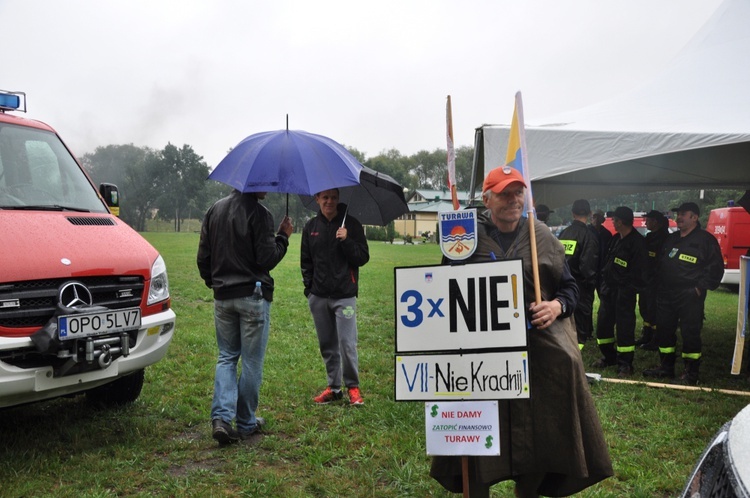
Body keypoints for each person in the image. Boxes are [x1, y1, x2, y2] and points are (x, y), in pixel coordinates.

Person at [430, 166, 613, 498]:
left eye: (518, 192)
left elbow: (570, 289)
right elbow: (443, 293)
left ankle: (529, 489)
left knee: (557, 383)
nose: (513, 199)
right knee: (478, 430)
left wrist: (556, 306)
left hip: (535, 347)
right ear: (487, 199)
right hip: (482, 352)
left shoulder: (541, 234)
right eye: (504, 193)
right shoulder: (466, 234)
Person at [197, 190, 293, 445]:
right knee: (251, 362)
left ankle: (221, 419)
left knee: (226, 356)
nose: (269, 187)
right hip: (253, 295)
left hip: (223, 296)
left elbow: (203, 258)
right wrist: (282, 236)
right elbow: (266, 258)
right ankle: (246, 422)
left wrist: (215, 283)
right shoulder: (261, 214)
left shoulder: (214, 209)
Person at [301, 188, 370, 406]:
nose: (329, 201)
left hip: (344, 296)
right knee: (327, 344)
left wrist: (347, 240)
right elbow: (306, 261)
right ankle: (334, 387)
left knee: (346, 344)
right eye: (325, 197)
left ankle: (353, 388)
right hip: (319, 296)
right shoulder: (311, 227)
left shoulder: (352, 225)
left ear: (339, 199)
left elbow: (362, 258)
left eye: (333, 197)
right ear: (317, 199)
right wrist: (309, 289)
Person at [643, 202, 723, 385]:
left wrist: (699, 287)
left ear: (694, 217)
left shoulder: (705, 240)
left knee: (690, 333)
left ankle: (691, 373)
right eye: (678, 214)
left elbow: (715, 268)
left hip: (689, 295)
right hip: (666, 294)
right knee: (664, 330)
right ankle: (665, 367)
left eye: (683, 214)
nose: (679, 217)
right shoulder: (672, 239)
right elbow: (661, 263)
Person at [593, 206, 647, 377]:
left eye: (615, 220)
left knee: (624, 329)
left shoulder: (637, 243)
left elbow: (640, 272)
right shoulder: (616, 239)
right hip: (608, 291)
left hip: (624, 293)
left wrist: (626, 288)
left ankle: (625, 364)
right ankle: (609, 357)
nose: (613, 223)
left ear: (622, 221)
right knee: (603, 326)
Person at [558, 199, 599, 349]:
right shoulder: (589, 236)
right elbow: (588, 265)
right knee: (581, 321)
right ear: (589, 214)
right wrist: (591, 284)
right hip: (581, 285)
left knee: (565, 318)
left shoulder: (563, 233)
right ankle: (577, 353)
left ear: (572, 213)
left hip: (562, 282)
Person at [635, 210, 670, 351]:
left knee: (654, 310)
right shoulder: (648, 237)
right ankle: (647, 335)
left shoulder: (665, 239)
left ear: (655, 222)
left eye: (648, 220)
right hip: (646, 281)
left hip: (657, 282)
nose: (646, 222)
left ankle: (657, 339)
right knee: (645, 308)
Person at [588, 209, 613, 300]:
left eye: (599, 217)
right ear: (591, 218)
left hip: (602, 272)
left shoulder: (607, 234)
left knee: (605, 298)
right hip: (589, 272)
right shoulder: (586, 232)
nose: (596, 219)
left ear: (603, 220)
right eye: (594, 217)